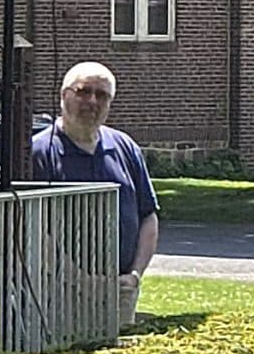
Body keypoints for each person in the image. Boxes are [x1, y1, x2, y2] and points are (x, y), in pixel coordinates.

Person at [28, 61, 160, 323]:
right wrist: (80, 280)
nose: (92, 101)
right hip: (60, 292)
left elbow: (148, 216)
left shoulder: (125, 146)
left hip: (121, 290)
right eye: (83, 91)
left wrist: (134, 275)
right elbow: (32, 228)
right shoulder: (39, 152)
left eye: (102, 95)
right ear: (64, 95)